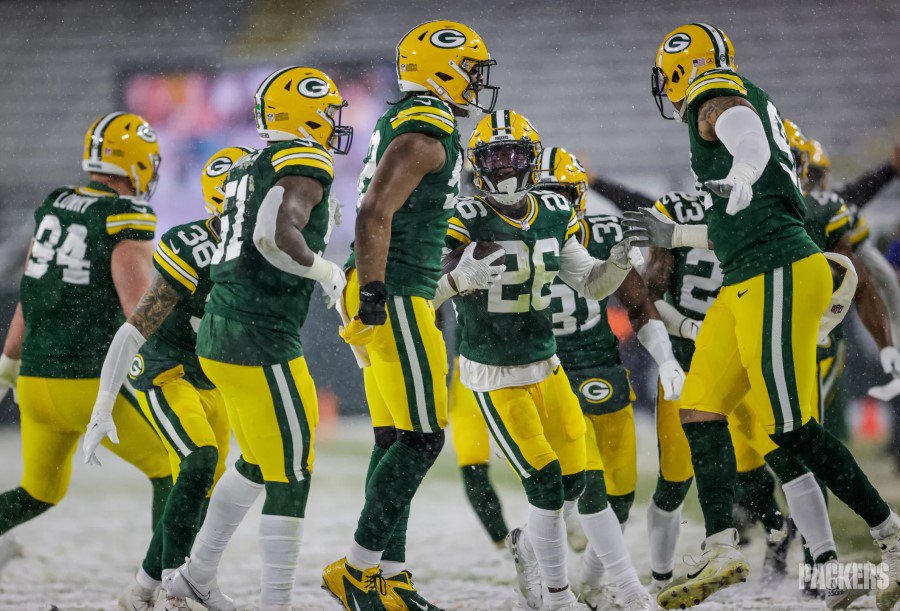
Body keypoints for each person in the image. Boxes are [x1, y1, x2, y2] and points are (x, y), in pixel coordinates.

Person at [628, 23, 900, 609]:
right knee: (700, 406)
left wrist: (746, 168)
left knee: (793, 430)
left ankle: (891, 538)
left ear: (681, 68)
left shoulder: (714, 95)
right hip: (746, 275)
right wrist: (674, 233)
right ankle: (724, 544)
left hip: (776, 271)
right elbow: (742, 213)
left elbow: (743, 133)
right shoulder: (737, 120)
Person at [324, 20, 497, 611]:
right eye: (472, 70)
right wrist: (375, 292)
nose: (477, 83)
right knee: (424, 438)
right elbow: (373, 211)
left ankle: (389, 577)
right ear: (443, 68)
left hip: (384, 285)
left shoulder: (414, 121)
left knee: (395, 436)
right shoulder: (427, 131)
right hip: (394, 289)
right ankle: (356, 568)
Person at [162, 66, 350, 610]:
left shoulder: (248, 164)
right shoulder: (305, 159)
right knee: (292, 472)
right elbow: (272, 235)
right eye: (328, 109)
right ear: (304, 111)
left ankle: (195, 576)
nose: (335, 121)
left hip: (222, 328)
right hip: (260, 333)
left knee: (258, 463)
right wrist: (324, 269)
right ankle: (275, 603)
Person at [442, 110, 641, 611]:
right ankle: (557, 596)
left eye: (513, 154)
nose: (505, 167)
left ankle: (616, 584)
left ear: (531, 158)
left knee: (584, 483)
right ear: (476, 163)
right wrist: (456, 279)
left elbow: (591, 284)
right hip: (493, 371)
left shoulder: (554, 209)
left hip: (547, 364)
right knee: (545, 482)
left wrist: (618, 261)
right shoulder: (463, 217)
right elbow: (424, 294)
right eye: (493, 155)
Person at [0, 112, 172, 576]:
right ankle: (160, 582)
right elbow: (140, 306)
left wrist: (7, 361)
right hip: (85, 383)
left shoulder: (57, 202)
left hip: (35, 383)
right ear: (136, 161)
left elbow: (31, 292)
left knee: (39, 490)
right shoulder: (123, 215)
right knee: (174, 466)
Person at [82, 146, 252, 610]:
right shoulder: (194, 246)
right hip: (166, 370)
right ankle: (179, 590)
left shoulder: (266, 246)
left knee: (203, 491)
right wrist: (102, 408)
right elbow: (136, 327)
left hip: (213, 376)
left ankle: (142, 590)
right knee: (198, 462)